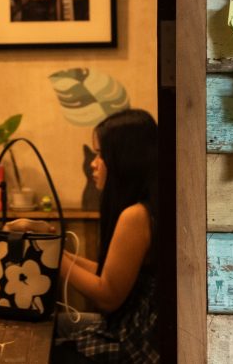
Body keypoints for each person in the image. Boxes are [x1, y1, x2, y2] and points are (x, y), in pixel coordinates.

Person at [53, 108, 159, 364]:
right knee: (54, 324)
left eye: (100, 154)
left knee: (45, 347)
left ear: (124, 159)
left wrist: (54, 258)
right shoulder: (149, 206)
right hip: (132, 331)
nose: (93, 163)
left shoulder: (136, 216)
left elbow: (108, 295)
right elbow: (109, 274)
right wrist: (60, 252)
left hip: (135, 344)